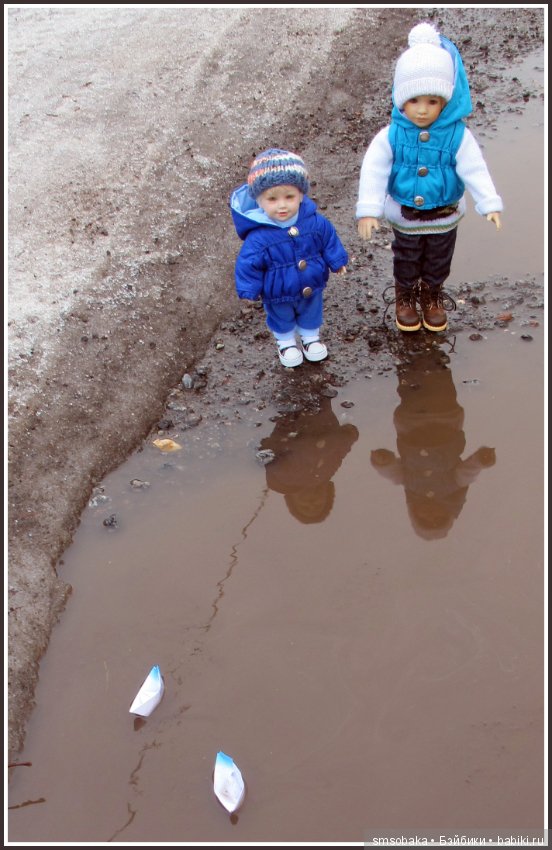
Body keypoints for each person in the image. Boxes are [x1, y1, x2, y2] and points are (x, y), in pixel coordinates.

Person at [356, 22, 503, 333]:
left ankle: (432, 296)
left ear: (446, 102)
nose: (422, 110)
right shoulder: (392, 135)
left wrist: (488, 202)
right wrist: (369, 208)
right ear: (400, 100)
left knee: (439, 258)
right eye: (414, 101)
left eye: (432, 102)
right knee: (406, 257)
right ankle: (405, 297)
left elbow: (474, 167)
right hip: (406, 215)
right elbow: (374, 168)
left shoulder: (458, 135)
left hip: (445, 214)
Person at [230, 148, 348, 367]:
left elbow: (328, 239)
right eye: (272, 199)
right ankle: (286, 343)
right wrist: (249, 289)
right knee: (280, 316)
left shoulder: (314, 222)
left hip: (311, 283)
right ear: (259, 200)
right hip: (277, 289)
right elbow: (248, 264)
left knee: (311, 310)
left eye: (289, 197)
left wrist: (337, 261)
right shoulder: (259, 236)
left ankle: (310, 339)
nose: (282, 205)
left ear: (301, 195)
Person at [370, 343, 496, 539]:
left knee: (410, 389)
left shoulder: (410, 484)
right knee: (441, 388)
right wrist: (482, 459)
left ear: (414, 513)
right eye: (438, 518)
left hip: (411, 423)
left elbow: (393, 473)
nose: (430, 514)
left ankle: (406, 357)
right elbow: (469, 471)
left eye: (424, 519)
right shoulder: (453, 485)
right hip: (445, 420)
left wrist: (383, 461)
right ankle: (436, 357)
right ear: (447, 512)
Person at [258, 396, 359, 523]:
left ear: (292, 500)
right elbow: (346, 442)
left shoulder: (284, 479)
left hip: (290, 407)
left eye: (304, 507)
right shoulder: (328, 471)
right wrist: (346, 437)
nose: (311, 503)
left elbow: (267, 449)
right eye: (317, 505)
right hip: (321, 402)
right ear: (327, 496)